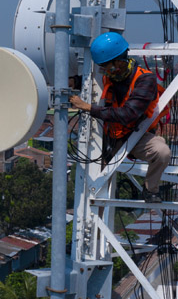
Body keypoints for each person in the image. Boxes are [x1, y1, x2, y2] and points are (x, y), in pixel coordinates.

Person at [69, 32, 171, 203]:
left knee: (162, 152)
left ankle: (150, 189)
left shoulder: (145, 80)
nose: (104, 71)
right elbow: (93, 82)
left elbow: (128, 114)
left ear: (119, 63)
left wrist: (87, 107)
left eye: (106, 67)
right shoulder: (111, 75)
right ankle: (98, 214)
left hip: (135, 135)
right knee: (97, 187)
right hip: (108, 138)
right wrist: (75, 81)